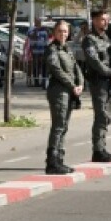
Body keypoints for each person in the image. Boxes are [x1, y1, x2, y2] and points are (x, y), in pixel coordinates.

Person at [82, 9, 111, 162]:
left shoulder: (106, 38)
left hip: (108, 82)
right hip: (98, 81)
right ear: (95, 20)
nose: (105, 22)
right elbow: (95, 62)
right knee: (101, 115)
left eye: (107, 19)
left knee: (107, 116)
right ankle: (98, 150)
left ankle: (102, 147)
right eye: (102, 19)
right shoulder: (89, 40)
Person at [45, 21, 84, 174]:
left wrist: (80, 83)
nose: (63, 34)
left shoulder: (67, 49)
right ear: (54, 33)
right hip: (59, 91)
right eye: (60, 31)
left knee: (64, 126)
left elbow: (76, 68)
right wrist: (71, 84)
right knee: (58, 126)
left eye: (65, 31)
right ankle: (52, 161)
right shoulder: (52, 49)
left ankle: (60, 159)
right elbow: (56, 69)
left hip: (70, 91)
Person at [26, 18, 51, 87]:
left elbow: (47, 39)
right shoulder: (31, 29)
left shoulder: (44, 30)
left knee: (43, 66)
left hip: (43, 51)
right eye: (37, 21)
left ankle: (43, 81)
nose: (38, 23)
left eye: (39, 21)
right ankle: (36, 81)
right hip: (35, 51)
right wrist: (36, 30)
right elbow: (30, 36)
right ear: (35, 22)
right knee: (36, 66)